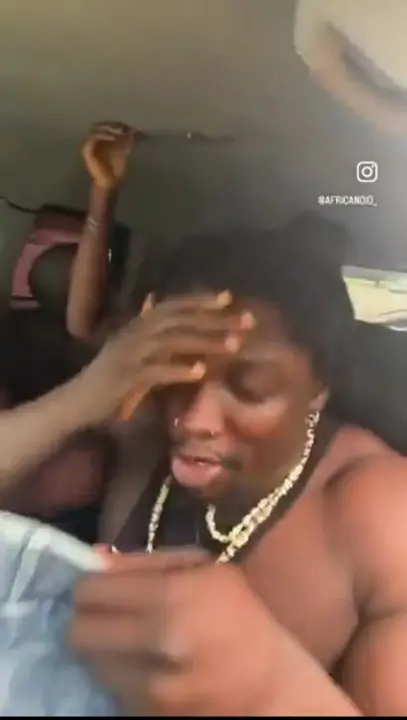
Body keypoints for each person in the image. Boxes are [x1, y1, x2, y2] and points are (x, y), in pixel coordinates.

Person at [1, 224, 407, 714]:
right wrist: (81, 397)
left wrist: (270, 687)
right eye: (179, 370)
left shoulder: (381, 512)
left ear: (319, 386)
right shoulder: (141, 429)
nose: (194, 419)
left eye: (250, 388)